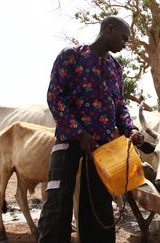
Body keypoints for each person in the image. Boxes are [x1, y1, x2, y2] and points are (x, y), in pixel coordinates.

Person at [37, 16, 144, 243]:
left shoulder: (116, 69)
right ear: (109, 29)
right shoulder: (71, 56)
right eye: (124, 38)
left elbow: (119, 106)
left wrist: (131, 128)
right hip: (68, 141)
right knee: (58, 204)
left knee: (99, 204)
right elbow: (55, 97)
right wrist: (79, 132)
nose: (125, 44)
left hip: (102, 150)